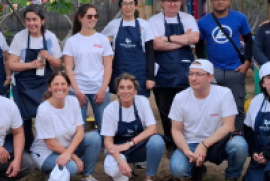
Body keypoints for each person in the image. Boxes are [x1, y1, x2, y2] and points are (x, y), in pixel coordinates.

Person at [33, 71, 105, 181]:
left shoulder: (72, 101)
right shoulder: (44, 109)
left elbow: (80, 131)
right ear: (50, 87)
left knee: (94, 138)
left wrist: (68, 153)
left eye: (63, 84)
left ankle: (87, 176)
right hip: (46, 153)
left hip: (66, 149)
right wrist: (74, 157)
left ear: (68, 87)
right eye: (56, 84)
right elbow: (51, 144)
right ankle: (49, 174)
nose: (60, 87)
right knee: (72, 168)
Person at [100, 74, 166, 181]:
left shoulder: (142, 102)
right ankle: (122, 167)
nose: (126, 91)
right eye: (122, 88)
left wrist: (129, 143)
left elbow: (153, 129)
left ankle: (149, 179)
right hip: (118, 149)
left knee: (157, 141)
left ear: (135, 90)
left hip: (136, 147)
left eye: (129, 87)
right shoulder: (110, 109)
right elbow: (108, 142)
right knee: (117, 177)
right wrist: (119, 159)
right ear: (117, 91)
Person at [8, 5, 65, 141]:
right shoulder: (19, 37)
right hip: (23, 87)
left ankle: (47, 145)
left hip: (43, 85)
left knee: (46, 117)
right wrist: (31, 65)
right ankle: (27, 149)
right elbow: (11, 64)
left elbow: (59, 65)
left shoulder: (50, 38)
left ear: (42, 20)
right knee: (23, 120)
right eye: (28, 20)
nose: (31, 23)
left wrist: (49, 57)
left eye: (35, 19)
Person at [148, 0, 200, 149]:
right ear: (162, 3)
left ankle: (190, 145)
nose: (172, 3)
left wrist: (168, 38)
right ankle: (171, 146)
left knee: (188, 113)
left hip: (186, 75)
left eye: (176, 0)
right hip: (163, 76)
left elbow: (194, 39)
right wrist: (183, 39)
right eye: (168, 1)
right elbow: (156, 44)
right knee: (166, 113)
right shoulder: (154, 21)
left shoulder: (188, 18)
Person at [195, 0, 252, 134]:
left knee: (237, 107)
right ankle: (215, 138)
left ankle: (237, 136)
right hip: (214, 72)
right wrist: (205, 67)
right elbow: (199, 46)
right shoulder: (203, 22)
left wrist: (247, 63)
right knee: (212, 107)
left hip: (236, 70)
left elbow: (249, 41)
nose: (220, 2)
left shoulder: (240, 18)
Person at [63, 4, 115, 124]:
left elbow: (108, 67)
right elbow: (68, 68)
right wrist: (76, 91)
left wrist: (102, 90)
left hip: (99, 89)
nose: (93, 19)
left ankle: (104, 144)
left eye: (95, 16)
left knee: (105, 127)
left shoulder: (103, 39)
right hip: (78, 89)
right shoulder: (72, 41)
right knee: (78, 128)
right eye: (89, 16)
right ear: (80, 18)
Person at [102, 0, 157, 97]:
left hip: (140, 73)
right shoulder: (113, 24)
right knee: (122, 102)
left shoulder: (144, 25)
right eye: (125, 4)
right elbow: (100, 40)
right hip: (120, 71)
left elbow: (150, 52)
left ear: (135, 6)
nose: (128, 7)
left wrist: (150, 77)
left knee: (140, 103)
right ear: (120, 7)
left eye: (131, 3)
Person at [242, 64, 270, 181]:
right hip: (261, 154)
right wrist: (254, 152)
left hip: (268, 154)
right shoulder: (257, 101)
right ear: (263, 83)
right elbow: (248, 130)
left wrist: (268, 155)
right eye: (269, 78)